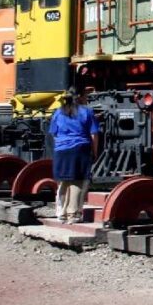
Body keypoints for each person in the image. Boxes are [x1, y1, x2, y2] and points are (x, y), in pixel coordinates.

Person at [49, 88, 99, 224]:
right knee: (78, 181)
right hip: (80, 148)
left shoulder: (58, 112)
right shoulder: (87, 111)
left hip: (61, 150)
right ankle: (74, 214)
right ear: (80, 97)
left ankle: (61, 213)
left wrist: (61, 145)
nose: (87, 98)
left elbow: (53, 133)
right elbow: (94, 134)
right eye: (86, 96)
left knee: (63, 181)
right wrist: (95, 152)